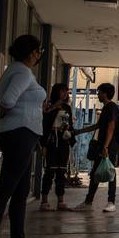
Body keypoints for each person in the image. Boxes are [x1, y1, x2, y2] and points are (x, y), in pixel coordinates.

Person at [0, 35, 46, 238]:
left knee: (20, 190)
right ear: (31, 52)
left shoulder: (17, 70)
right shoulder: (22, 72)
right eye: (39, 51)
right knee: (6, 188)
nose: (39, 55)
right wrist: (4, 112)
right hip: (19, 134)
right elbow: (7, 101)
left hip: (22, 133)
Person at [75, 83, 119, 213]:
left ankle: (111, 202)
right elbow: (98, 126)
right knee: (96, 173)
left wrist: (105, 147)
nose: (98, 94)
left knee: (110, 173)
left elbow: (111, 127)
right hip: (104, 146)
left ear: (105, 93)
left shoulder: (111, 107)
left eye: (99, 92)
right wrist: (78, 131)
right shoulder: (106, 108)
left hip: (108, 146)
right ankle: (89, 201)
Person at [39, 83, 74, 211]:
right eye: (62, 91)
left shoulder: (67, 107)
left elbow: (70, 124)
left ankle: (61, 200)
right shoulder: (48, 105)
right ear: (56, 92)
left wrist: (70, 136)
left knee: (61, 171)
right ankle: (44, 201)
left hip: (63, 141)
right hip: (52, 141)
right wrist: (43, 145)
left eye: (66, 91)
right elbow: (44, 121)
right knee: (49, 170)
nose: (65, 94)